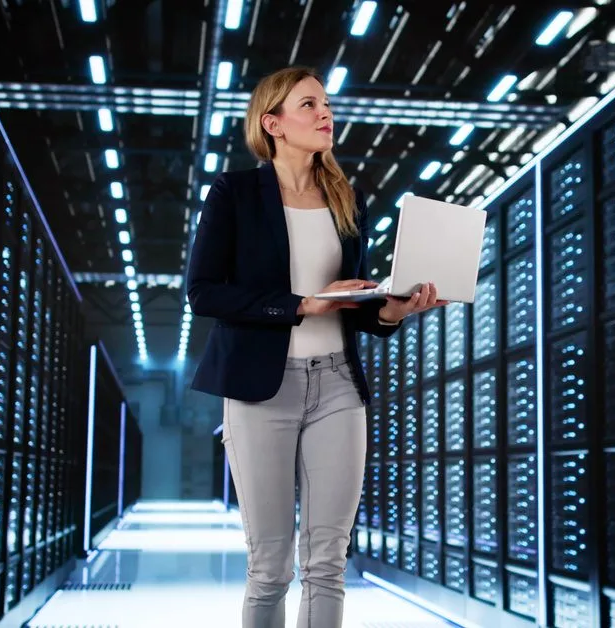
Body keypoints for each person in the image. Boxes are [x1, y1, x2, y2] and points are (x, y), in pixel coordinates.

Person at [185, 66, 446, 628]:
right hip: (261, 390)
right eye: (309, 105)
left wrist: (394, 309)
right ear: (272, 123)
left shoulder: (345, 199)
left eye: (326, 104)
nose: (325, 113)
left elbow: (357, 307)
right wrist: (302, 303)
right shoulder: (234, 194)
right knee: (270, 566)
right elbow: (203, 294)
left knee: (328, 562)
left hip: (337, 387)